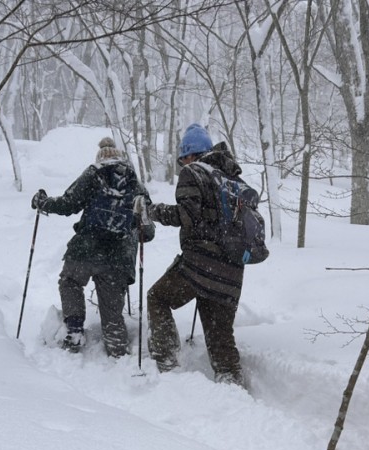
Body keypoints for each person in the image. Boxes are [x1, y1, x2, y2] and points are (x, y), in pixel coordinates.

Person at [31, 137, 153, 357]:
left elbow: (68, 204)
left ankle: (75, 331)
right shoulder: (136, 186)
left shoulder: (93, 175)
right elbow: (148, 231)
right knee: (112, 313)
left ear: (100, 159)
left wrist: (43, 202)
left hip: (85, 249)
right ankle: (117, 350)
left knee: (70, 282)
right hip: (117, 259)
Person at [145, 123, 246, 387]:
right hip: (232, 271)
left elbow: (186, 216)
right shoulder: (232, 177)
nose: (183, 164)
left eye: (183, 159)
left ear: (190, 154)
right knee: (220, 335)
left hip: (201, 265)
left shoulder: (194, 173)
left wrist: (153, 211)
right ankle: (231, 384)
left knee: (157, 297)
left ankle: (167, 365)